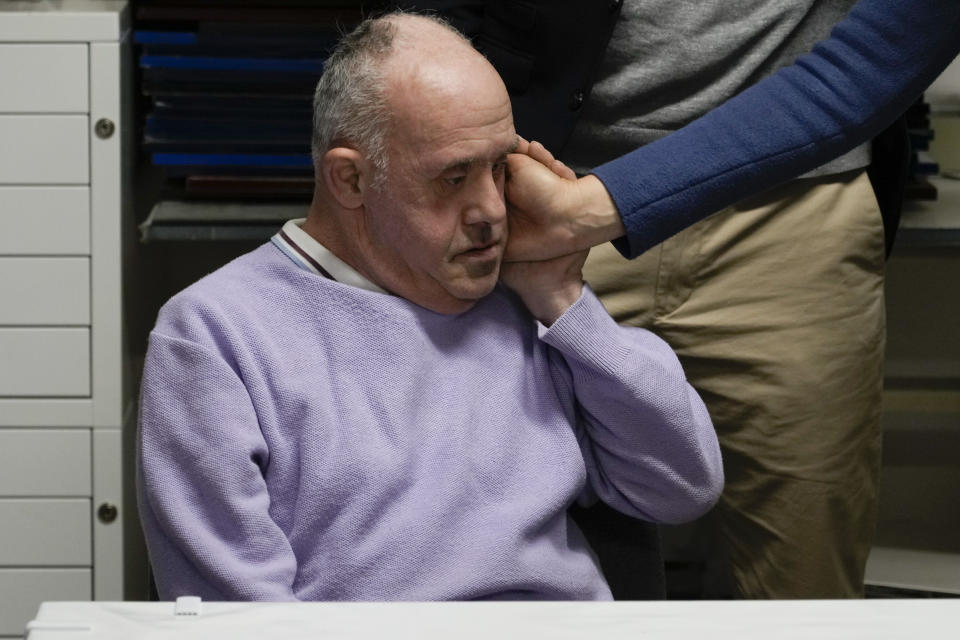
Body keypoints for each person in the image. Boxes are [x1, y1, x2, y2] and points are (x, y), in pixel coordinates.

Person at [136, 12, 723, 602]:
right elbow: (235, 612)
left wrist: (563, 299)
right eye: (454, 178)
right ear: (351, 180)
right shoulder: (215, 335)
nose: (492, 209)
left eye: (500, 168)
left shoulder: (527, 303)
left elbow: (682, 487)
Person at [405, 0, 960, 598]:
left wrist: (593, 208)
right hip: (524, 194)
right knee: (469, 553)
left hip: (790, 204)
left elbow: (903, 35)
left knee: (803, 590)